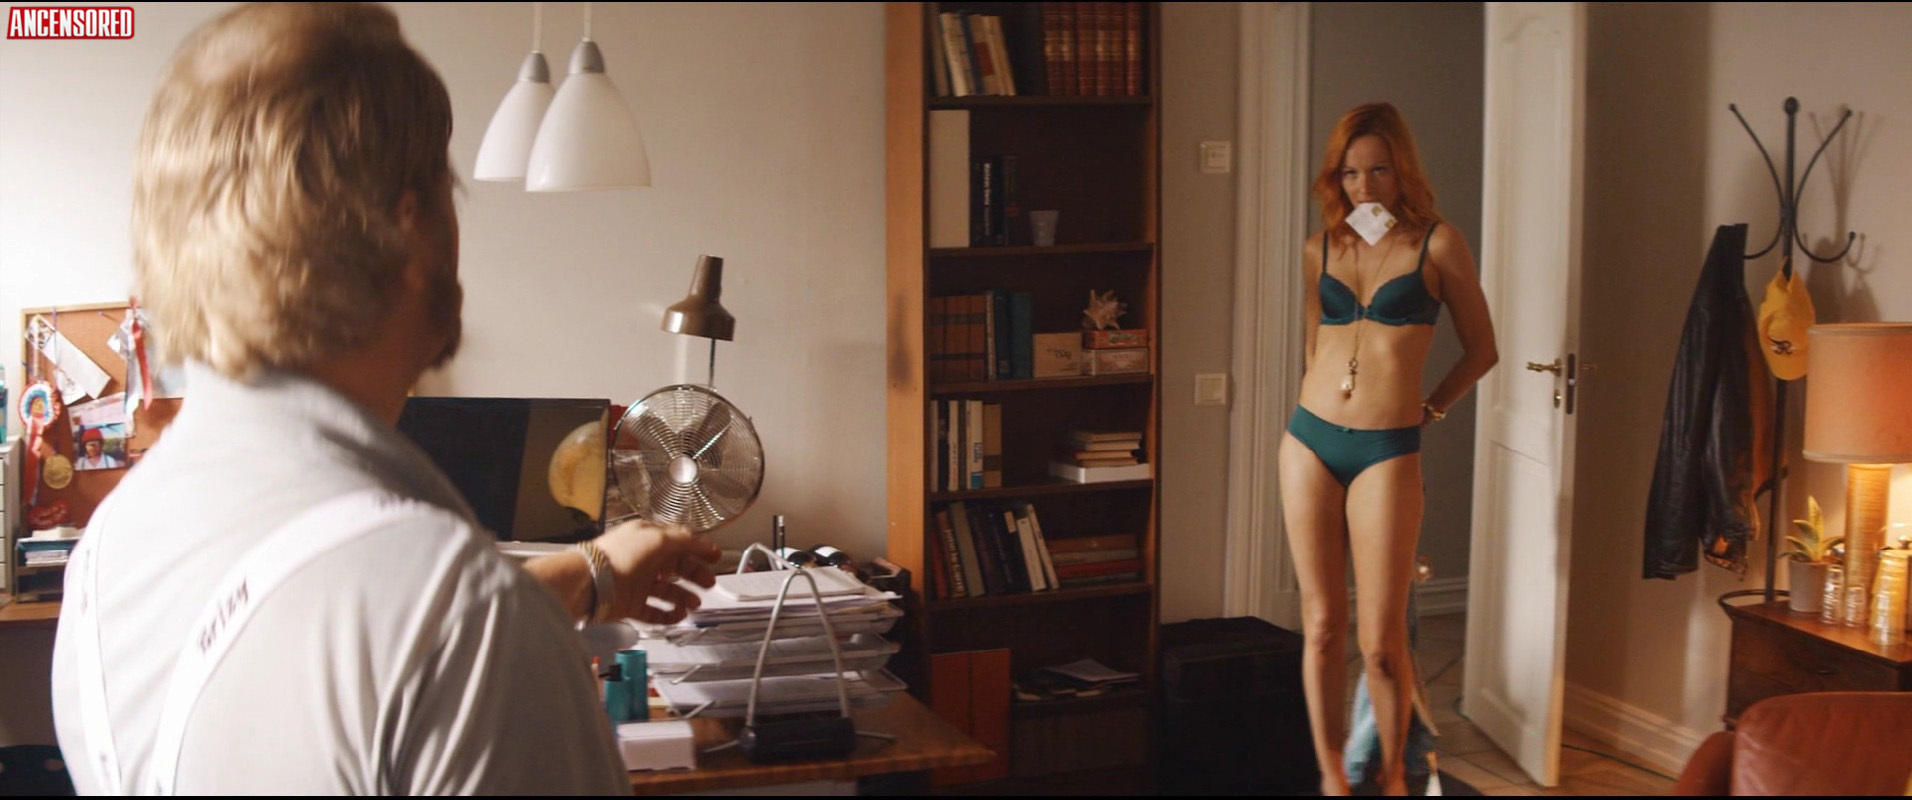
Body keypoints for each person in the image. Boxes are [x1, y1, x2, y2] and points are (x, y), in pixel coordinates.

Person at [51, 4, 721, 794]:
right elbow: (418, 638)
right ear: (408, 230)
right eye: (449, 190)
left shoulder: (108, 555)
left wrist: (589, 575)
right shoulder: (467, 624)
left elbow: (329, 646)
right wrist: (524, 611)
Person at [1278, 102, 1498, 796]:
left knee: (1380, 643)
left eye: (1378, 170)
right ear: (1335, 178)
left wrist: (1429, 409)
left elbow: (1483, 350)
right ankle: (1332, 780)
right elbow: (1314, 344)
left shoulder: (1439, 244)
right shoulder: (1319, 249)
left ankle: (1396, 776)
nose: (1364, 187)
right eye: (1350, 173)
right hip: (1309, 442)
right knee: (1320, 626)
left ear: (1401, 170)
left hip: (1386, 450)